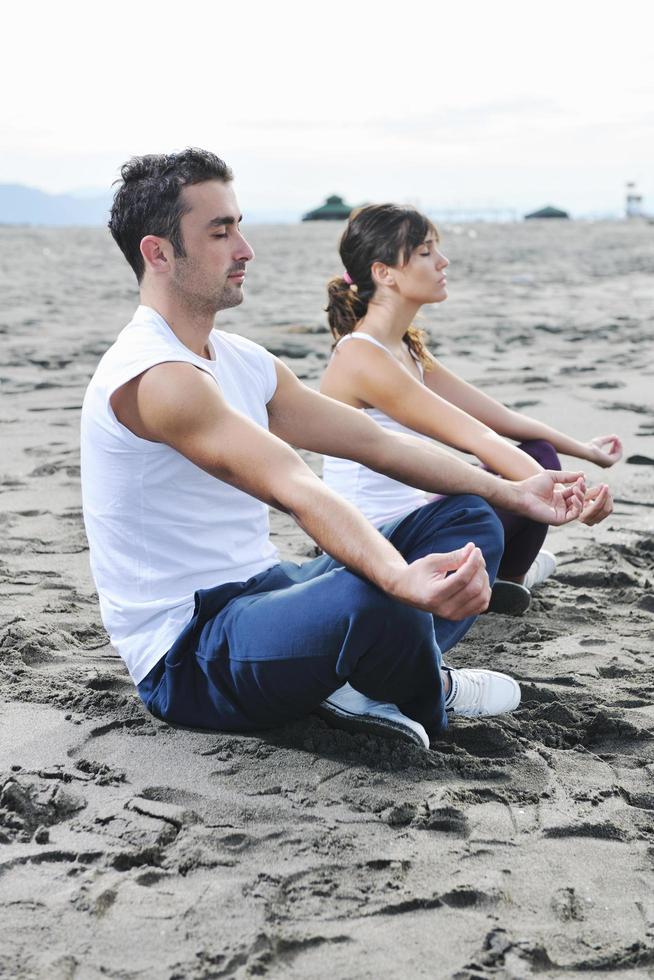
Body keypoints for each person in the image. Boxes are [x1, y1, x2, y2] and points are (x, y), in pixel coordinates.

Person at [80, 149, 587, 752]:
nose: (245, 249)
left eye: (239, 225)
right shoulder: (157, 377)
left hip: (266, 586)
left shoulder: (241, 359)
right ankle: (423, 688)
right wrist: (396, 576)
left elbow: (371, 441)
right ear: (158, 252)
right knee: (378, 591)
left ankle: (358, 675)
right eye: (221, 232)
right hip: (192, 649)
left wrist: (511, 490)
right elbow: (295, 485)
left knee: (467, 518)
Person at [321, 204, 620, 613]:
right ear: (384, 272)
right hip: (379, 545)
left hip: (417, 523)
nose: (443, 261)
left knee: (536, 452)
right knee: (505, 483)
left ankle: (502, 583)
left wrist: (586, 451)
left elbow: (499, 419)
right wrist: (570, 495)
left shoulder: (404, 348)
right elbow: (475, 437)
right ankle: (496, 584)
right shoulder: (361, 355)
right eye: (426, 252)